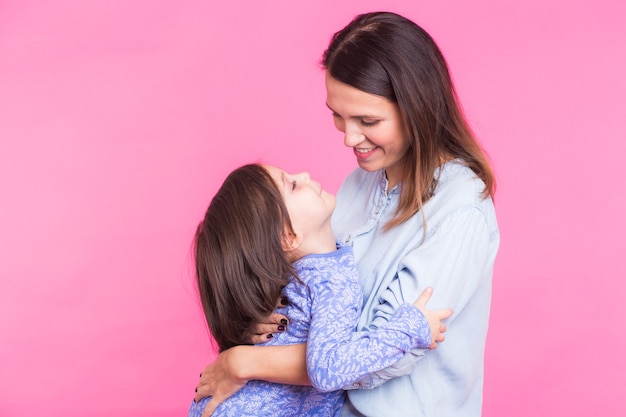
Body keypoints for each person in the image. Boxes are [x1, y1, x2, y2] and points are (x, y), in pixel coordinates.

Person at [195, 11, 500, 417]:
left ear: (418, 108)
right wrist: (269, 324)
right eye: (338, 115)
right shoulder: (362, 183)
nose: (349, 138)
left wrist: (246, 362)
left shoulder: (460, 209)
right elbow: (312, 289)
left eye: (368, 121)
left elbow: (384, 356)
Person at [188, 163, 452, 417]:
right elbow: (328, 369)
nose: (303, 175)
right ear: (288, 237)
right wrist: (410, 328)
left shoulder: (304, 274)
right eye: (291, 185)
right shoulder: (331, 280)